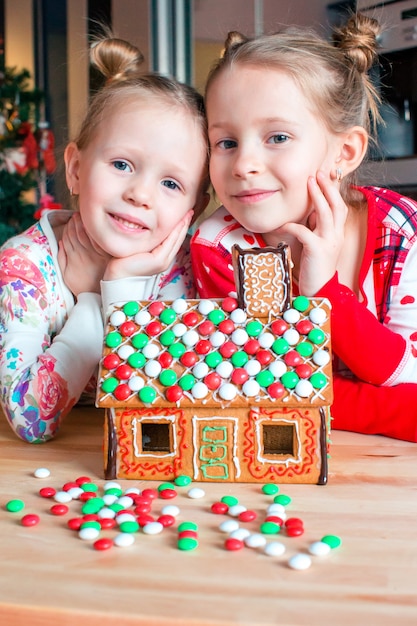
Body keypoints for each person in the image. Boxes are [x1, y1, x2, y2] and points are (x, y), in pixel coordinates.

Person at [191, 13, 417, 442]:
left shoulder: (402, 232)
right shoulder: (220, 247)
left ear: (344, 152)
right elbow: (262, 389)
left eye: (277, 137)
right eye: (226, 142)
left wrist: (325, 292)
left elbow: (408, 372)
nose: (243, 165)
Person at [0, 35, 209, 443]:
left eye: (170, 182)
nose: (140, 194)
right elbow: (32, 420)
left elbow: (172, 405)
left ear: (195, 207)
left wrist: (116, 288)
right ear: (76, 169)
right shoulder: (24, 265)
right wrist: (95, 303)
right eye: (121, 164)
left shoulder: (180, 266)